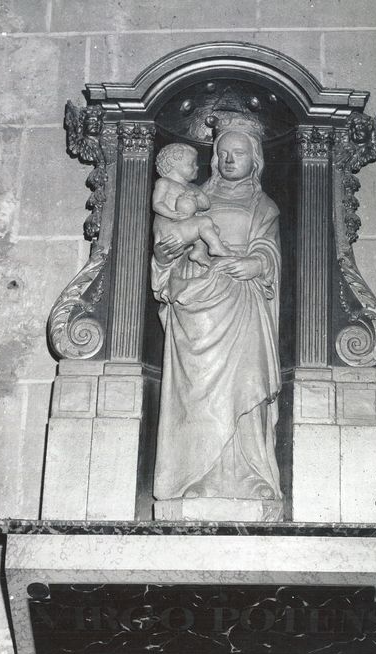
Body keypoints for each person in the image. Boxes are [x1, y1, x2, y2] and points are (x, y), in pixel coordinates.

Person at [151, 117, 282, 504]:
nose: (228, 160)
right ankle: (197, 476)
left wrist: (256, 263)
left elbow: (269, 250)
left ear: (255, 159)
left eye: (238, 153)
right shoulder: (190, 197)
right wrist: (164, 256)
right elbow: (166, 244)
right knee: (199, 392)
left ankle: (248, 474)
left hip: (241, 298)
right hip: (197, 300)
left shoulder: (263, 206)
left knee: (244, 384)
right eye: (222, 153)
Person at [153, 143, 231, 267]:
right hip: (170, 231)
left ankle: (199, 252)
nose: (197, 167)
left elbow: (206, 205)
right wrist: (172, 214)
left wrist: (197, 194)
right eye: (191, 164)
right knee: (204, 222)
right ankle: (217, 249)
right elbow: (157, 204)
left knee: (214, 229)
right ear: (172, 164)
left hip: (183, 227)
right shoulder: (164, 183)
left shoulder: (192, 187)